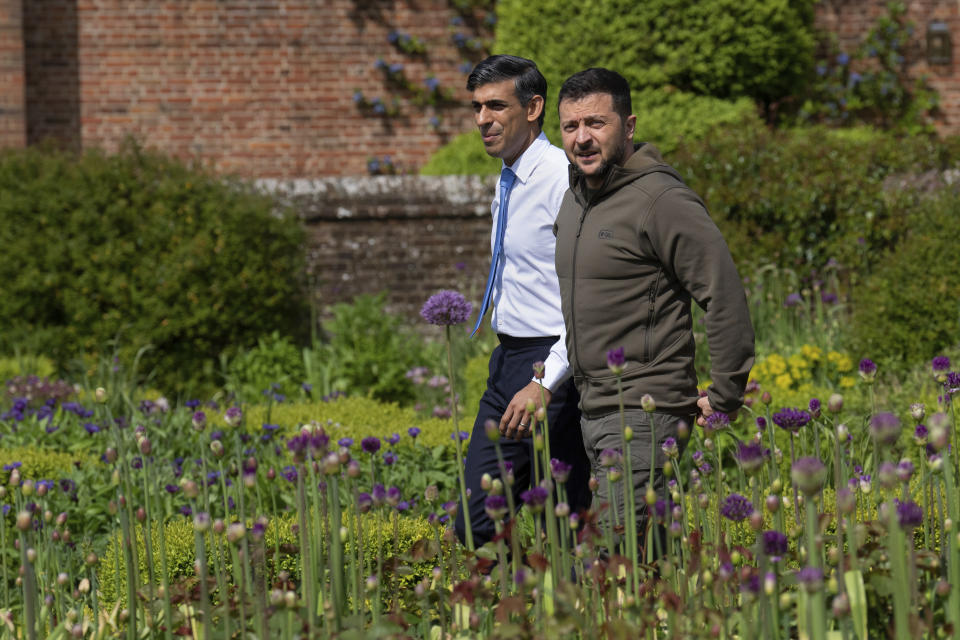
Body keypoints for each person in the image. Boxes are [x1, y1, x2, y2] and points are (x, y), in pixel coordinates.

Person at [551, 67, 755, 550]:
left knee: (606, 566)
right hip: (591, 408)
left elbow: (722, 294)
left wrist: (725, 394)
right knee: (647, 562)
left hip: (643, 410)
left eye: (596, 123)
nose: (582, 138)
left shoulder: (661, 200)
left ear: (629, 125)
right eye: (570, 126)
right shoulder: (575, 199)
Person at [453, 55, 590, 549]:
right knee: (494, 516)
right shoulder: (510, 177)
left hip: (551, 363)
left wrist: (544, 380)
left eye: (495, 106)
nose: (482, 120)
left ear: (533, 108)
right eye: (476, 108)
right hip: (509, 358)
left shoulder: (560, 179)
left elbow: (587, 297)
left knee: (560, 517)